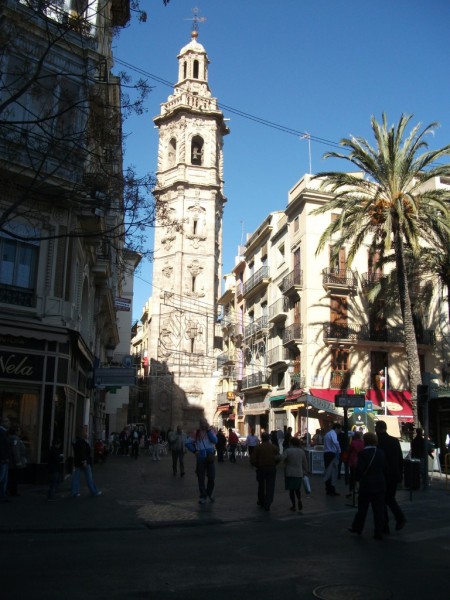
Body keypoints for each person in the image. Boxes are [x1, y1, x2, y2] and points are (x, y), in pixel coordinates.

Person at [349, 431, 386, 540]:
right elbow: (385, 467)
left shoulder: (363, 454)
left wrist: (357, 479)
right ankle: (379, 531)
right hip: (379, 483)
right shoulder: (380, 452)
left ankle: (358, 527)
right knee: (378, 509)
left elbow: (360, 469)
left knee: (362, 508)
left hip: (367, 484)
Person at [375, 420, 406, 532]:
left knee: (383, 500)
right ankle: (396, 520)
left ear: (378, 429)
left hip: (383, 475)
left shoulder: (379, 443)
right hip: (394, 474)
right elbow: (400, 459)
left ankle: (388, 523)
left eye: (376, 428)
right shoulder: (394, 441)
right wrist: (400, 474)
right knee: (389, 498)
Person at [186, 418, 218, 504]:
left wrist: (208, 431)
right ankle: (203, 496)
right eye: (202, 423)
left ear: (207, 423)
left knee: (211, 477)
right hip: (200, 458)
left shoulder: (211, 431)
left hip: (210, 457)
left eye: (205, 423)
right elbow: (187, 443)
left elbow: (215, 441)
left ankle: (209, 493)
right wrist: (195, 451)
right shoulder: (196, 433)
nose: (204, 425)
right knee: (201, 478)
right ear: (200, 424)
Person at [250, 431, 280, 511]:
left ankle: (261, 501)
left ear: (262, 438)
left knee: (261, 486)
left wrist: (257, 465)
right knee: (270, 486)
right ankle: (268, 503)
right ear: (268, 438)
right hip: (271, 468)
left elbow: (252, 459)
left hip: (261, 468)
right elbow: (278, 457)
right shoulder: (274, 447)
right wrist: (275, 463)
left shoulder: (258, 447)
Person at [71, 426, 102, 498]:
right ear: (82, 433)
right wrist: (84, 461)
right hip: (84, 461)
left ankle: (74, 492)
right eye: (85, 431)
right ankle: (94, 492)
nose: (87, 433)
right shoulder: (82, 442)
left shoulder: (77, 440)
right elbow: (83, 452)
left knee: (76, 477)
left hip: (78, 461)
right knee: (89, 477)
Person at [282, 436, 308, 512]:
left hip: (289, 473)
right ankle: (299, 499)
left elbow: (282, 458)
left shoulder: (288, 451)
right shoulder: (301, 451)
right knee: (297, 489)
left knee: (291, 491)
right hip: (299, 473)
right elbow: (305, 463)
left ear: (291, 443)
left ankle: (293, 505)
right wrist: (305, 471)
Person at [323, 422, 342, 496]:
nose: (340, 432)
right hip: (331, 454)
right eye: (339, 430)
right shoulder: (333, 433)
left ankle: (329, 489)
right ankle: (331, 490)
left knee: (328, 471)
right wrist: (339, 450)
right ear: (336, 428)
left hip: (327, 454)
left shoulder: (328, 433)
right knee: (333, 472)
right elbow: (335, 442)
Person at [8, 425, 27, 497]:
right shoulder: (15, 439)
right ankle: (13, 492)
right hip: (14, 462)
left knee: (13, 477)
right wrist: (18, 461)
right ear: (15, 431)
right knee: (14, 477)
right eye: (19, 430)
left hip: (13, 462)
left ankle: (12, 491)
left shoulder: (14, 438)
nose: (20, 432)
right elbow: (15, 451)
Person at [346, 431, 364, 498]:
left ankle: (351, 491)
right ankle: (359, 489)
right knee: (359, 476)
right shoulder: (363, 442)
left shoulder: (353, 442)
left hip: (353, 461)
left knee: (352, 477)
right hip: (360, 461)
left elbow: (349, 451)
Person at [0, 417, 10, 502]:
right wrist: (4, 458)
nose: (8, 423)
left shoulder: (5, 432)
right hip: (3, 459)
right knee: (2, 478)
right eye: (7, 421)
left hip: (4, 459)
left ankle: (3, 494)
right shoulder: (2, 432)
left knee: (3, 478)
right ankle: (2, 495)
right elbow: (2, 447)